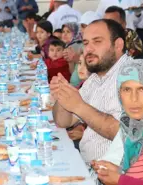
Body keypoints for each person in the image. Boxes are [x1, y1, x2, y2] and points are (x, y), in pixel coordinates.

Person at [51, 19, 131, 163]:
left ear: (118, 45)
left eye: (97, 41)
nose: (89, 49)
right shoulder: (96, 77)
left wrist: (78, 106)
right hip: (87, 164)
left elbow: (125, 134)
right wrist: (62, 95)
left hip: (113, 174)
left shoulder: (132, 75)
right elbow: (64, 121)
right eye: (86, 43)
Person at [61, 22, 83, 87]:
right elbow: (73, 72)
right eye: (63, 31)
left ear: (75, 33)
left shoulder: (75, 46)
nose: (64, 34)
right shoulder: (70, 45)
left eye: (68, 32)